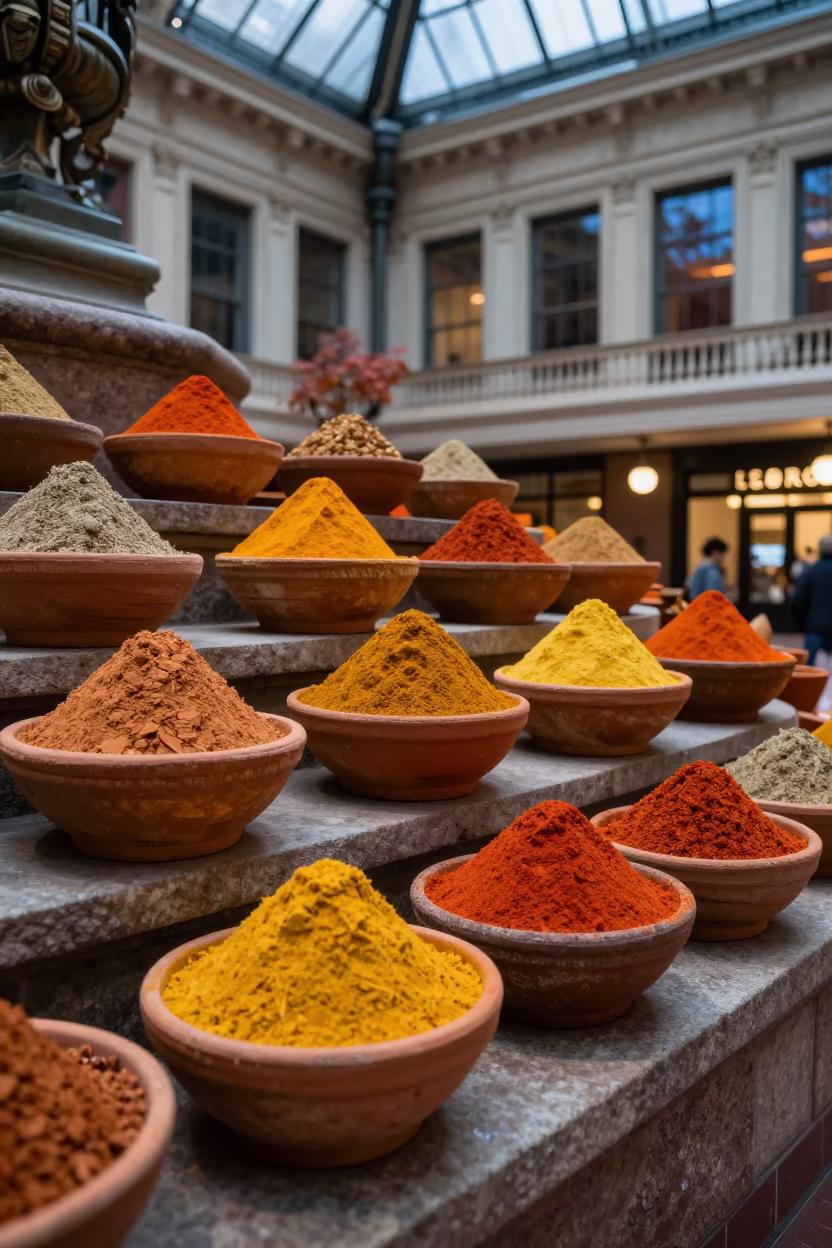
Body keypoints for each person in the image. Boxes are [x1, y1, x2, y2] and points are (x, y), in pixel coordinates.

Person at [792, 533, 832, 665]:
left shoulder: (810, 572)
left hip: (815, 625)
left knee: (808, 667)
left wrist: (800, 621)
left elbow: (799, 599)